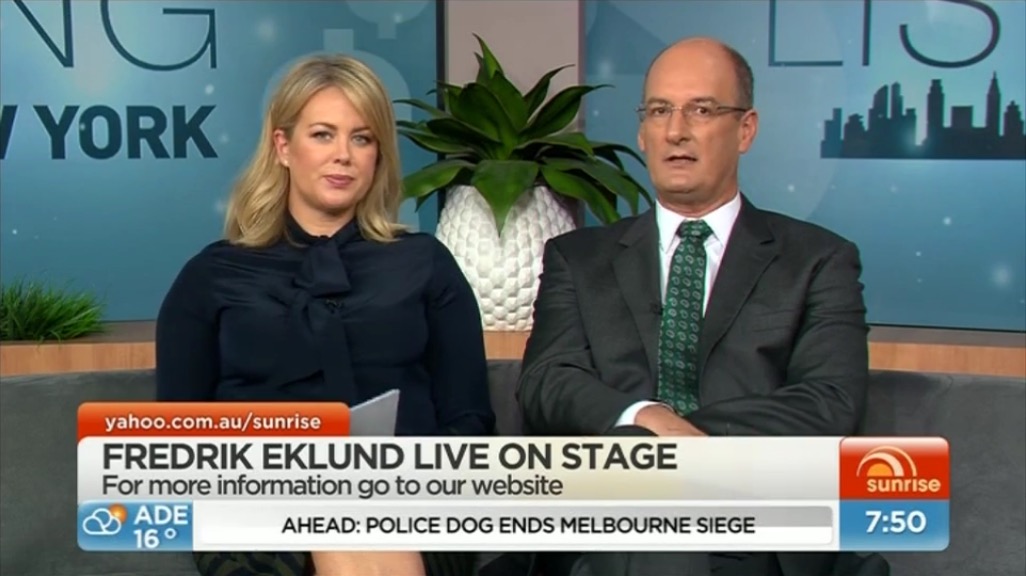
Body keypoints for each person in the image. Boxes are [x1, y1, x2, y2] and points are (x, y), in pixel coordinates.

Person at [517, 37, 891, 576]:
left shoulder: (817, 260)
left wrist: (680, 444)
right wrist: (641, 423)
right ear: (642, 133)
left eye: (701, 110)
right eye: (659, 111)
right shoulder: (577, 258)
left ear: (746, 130)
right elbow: (546, 381)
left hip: (751, 524)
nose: (676, 130)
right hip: (605, 527)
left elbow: (829, 399)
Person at [156, 54, 495, 576]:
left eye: (362, 138)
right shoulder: (212, 275)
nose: (343, 155)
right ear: (283, 146)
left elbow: (468, 419)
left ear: (378, 155)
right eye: (322, 135)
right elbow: (177, 440)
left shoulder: (425, 263)